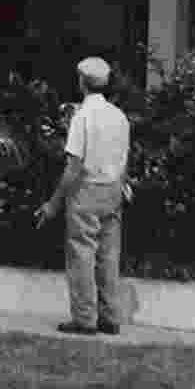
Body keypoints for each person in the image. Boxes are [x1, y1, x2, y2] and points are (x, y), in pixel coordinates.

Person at [35, 56, 131, 337]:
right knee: (109, 256)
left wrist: (53, 204)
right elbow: (124, 161)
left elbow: (73, 167)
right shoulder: (119, 116)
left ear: (81, 82)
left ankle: (85, 319)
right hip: (113, 190)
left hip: (87, 190)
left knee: (82, 255)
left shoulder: (82, 117)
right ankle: (111, 317)